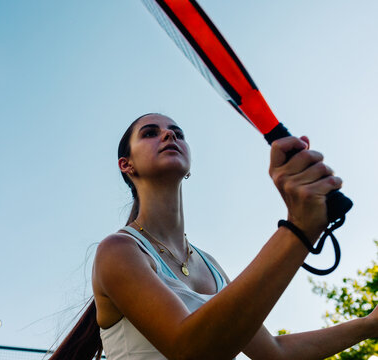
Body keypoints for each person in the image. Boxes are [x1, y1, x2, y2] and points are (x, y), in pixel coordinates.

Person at [50, 113, 378, 360]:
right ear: (127, 165)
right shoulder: (119, 250)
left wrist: (369, 324)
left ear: (189, 165)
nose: (168, 134)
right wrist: (299, 230)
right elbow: (192, 350)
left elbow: (275, 352)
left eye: (177, 133)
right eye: (151, 133)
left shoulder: (212, 267)